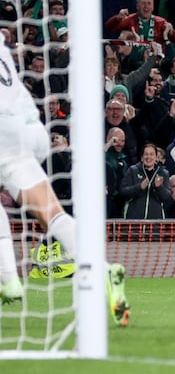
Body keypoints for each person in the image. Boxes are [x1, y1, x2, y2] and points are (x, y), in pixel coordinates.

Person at [0, 33, 129, 325]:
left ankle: (8, 278)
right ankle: (105, 269)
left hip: (4, 129)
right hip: (30, 129)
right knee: (54, 215)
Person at [118, 143, 172, 219]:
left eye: (151, 154)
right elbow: (123, 192)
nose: (148, 157)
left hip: (155, 223)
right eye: (146, 154)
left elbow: (167, 197)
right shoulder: (133, 170)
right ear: (142, 157)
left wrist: (159, 187)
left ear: (156, 157)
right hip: (134, 222)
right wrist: (139, 187)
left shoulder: (163, 173)